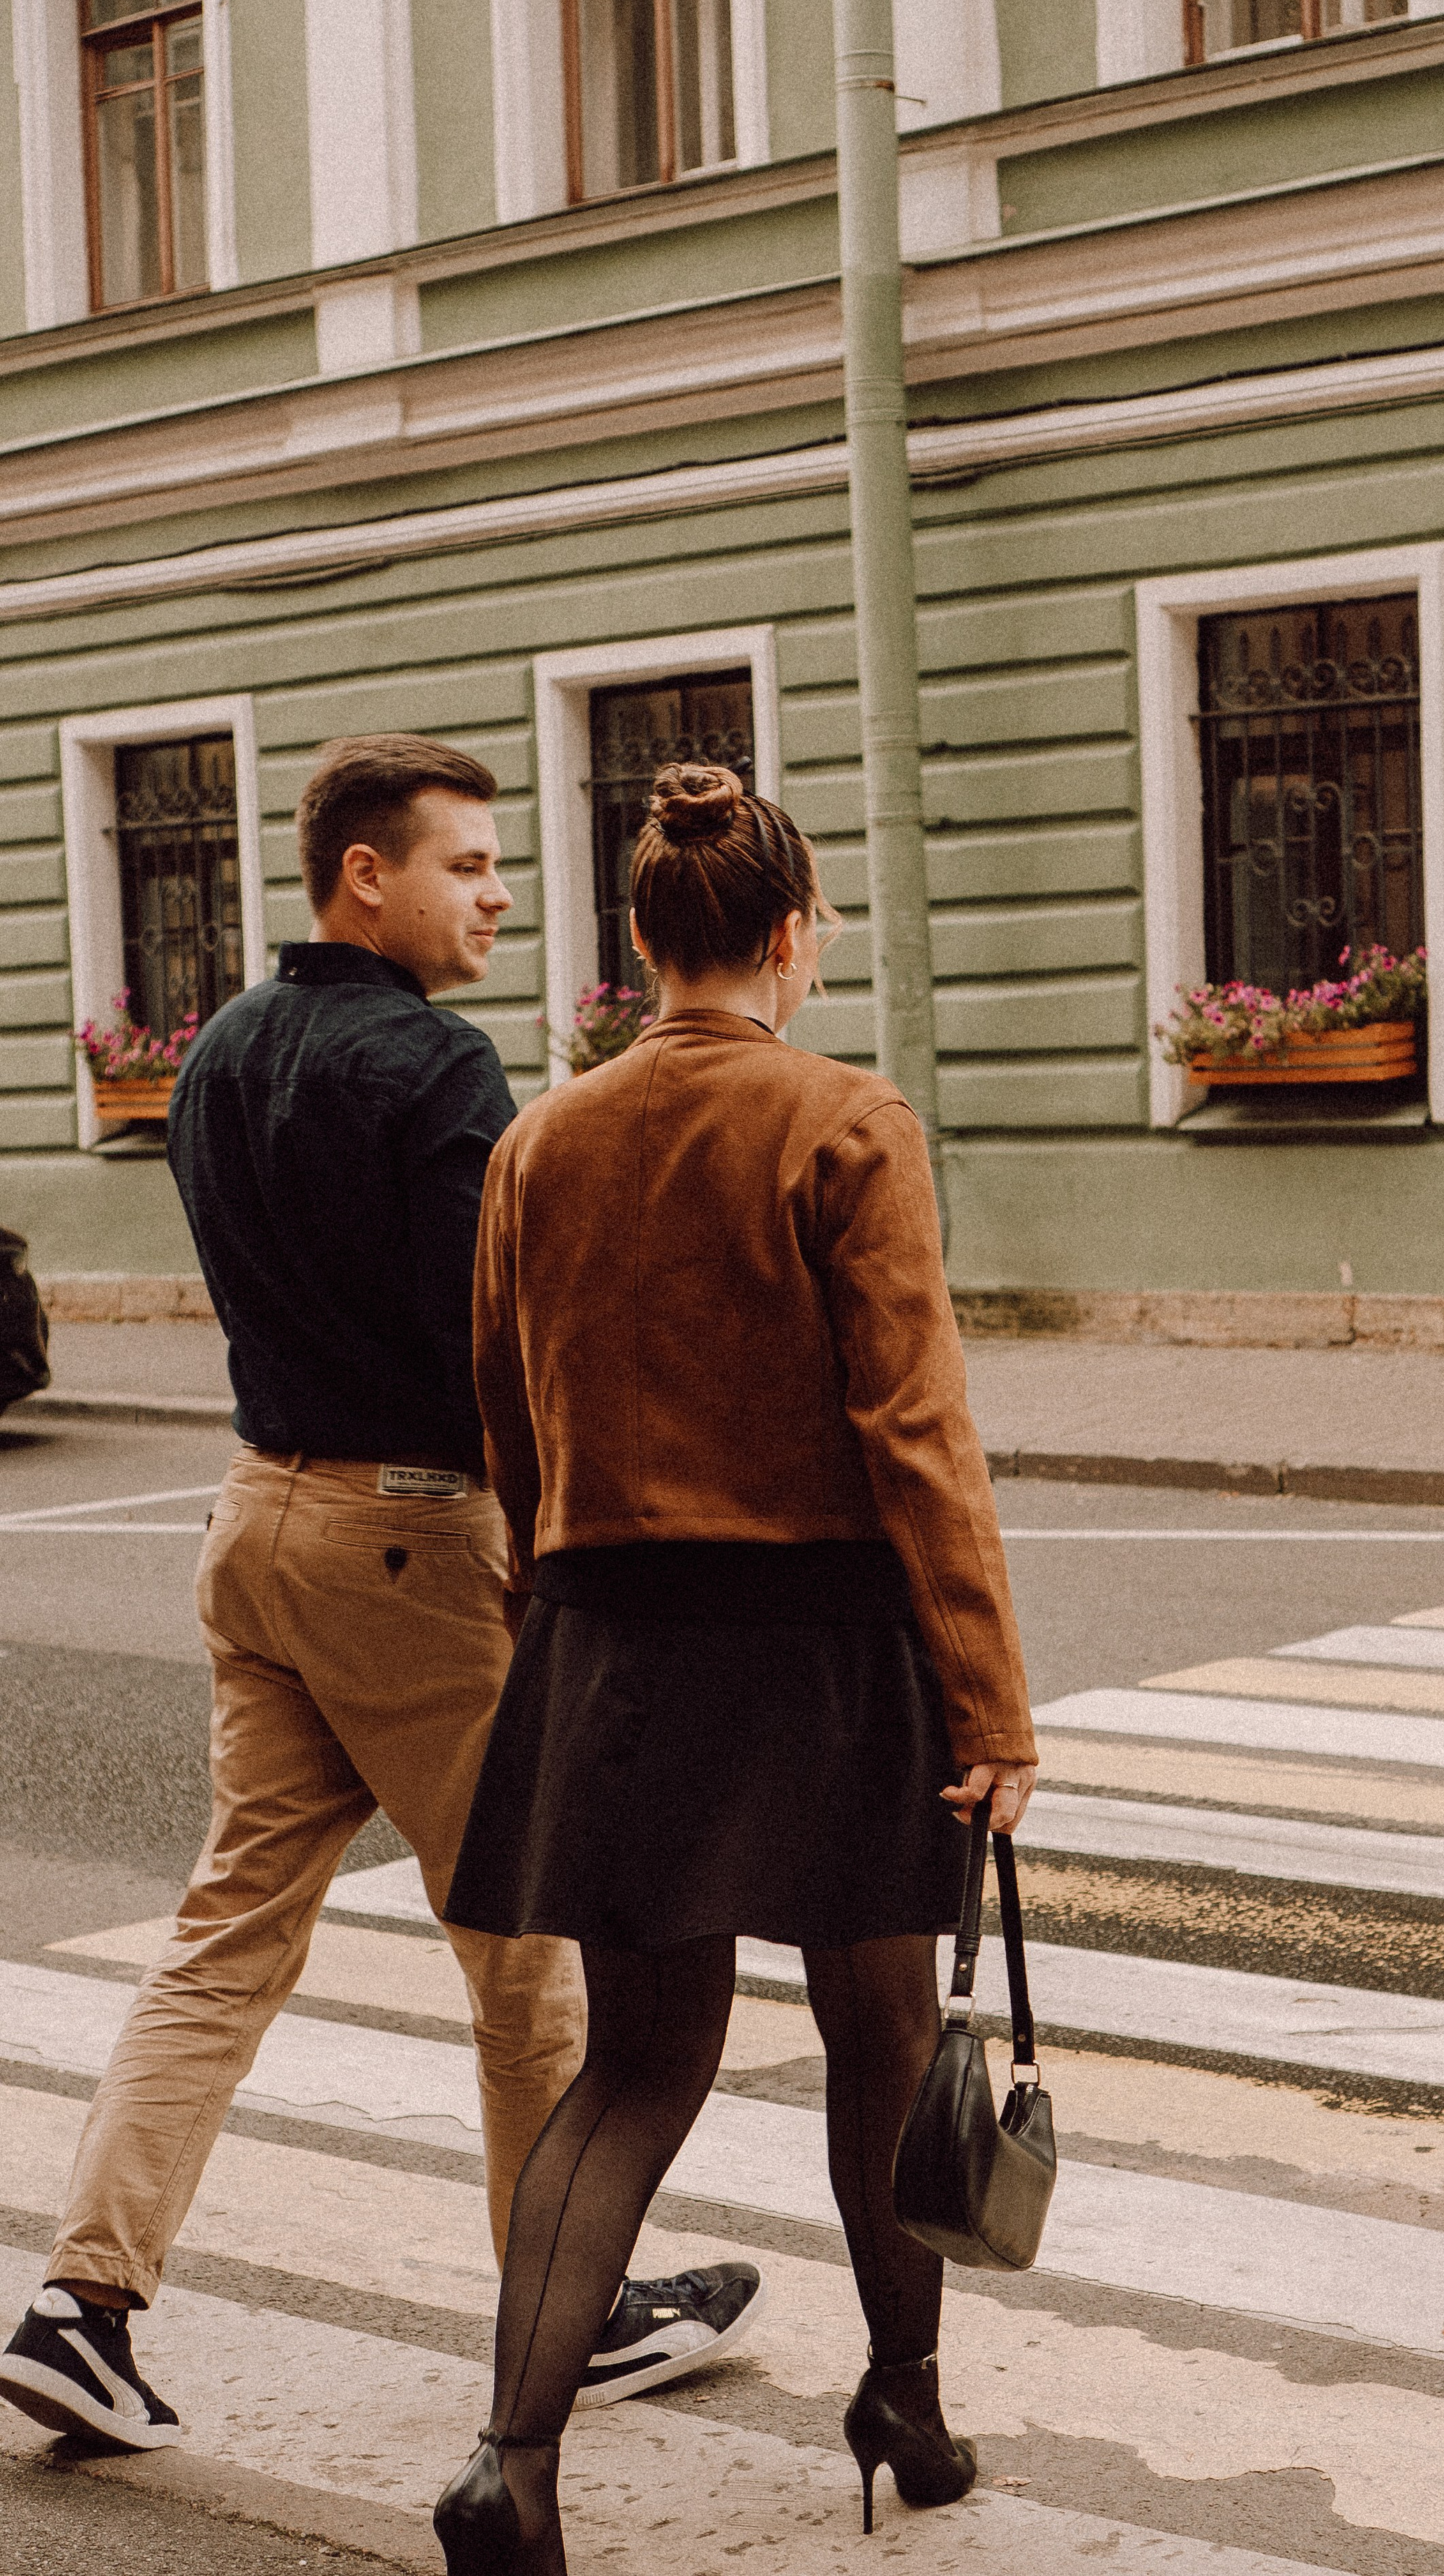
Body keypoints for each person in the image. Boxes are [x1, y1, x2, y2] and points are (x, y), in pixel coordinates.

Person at [0, 736, 759, 2456]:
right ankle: (571, 2300)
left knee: (225, 1937)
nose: (498, 893)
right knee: (526, 1957)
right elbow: (495, 1342)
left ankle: (83, 2307)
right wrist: (570, 1548)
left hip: (256, 1521)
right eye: (469, 864)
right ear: (366, 875)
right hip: (411, 1544)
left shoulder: (221, 1050)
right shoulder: (432, 1070)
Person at [432, 763, 1039, 2575]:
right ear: (792, 936)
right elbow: (916, 1431)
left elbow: (505, 1419)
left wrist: (557, 1614)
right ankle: (904, 2407)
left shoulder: (544, 1142)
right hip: (831, 1648)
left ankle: (509, 2463)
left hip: (619, 1644)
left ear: (639, 941)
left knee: (634, 2067)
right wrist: (993, 1706)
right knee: (881, 2040)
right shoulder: (847, 1124)